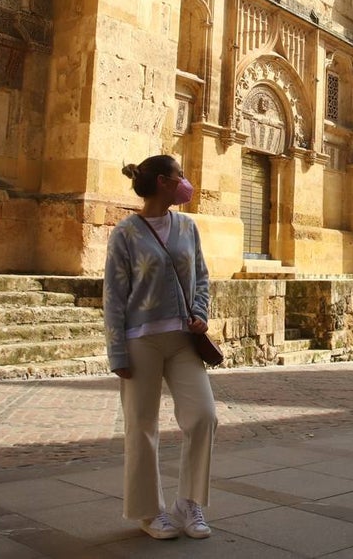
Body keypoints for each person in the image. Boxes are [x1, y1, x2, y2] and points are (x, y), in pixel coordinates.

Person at [104, 154, 217, 541]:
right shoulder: (126, 233)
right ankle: (148, 512)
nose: (186, 182)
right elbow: (115, 297)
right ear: (164, 183)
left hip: (184, 340)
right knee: (142, 426)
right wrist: (117, 352)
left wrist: (200, 311)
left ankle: (189, 502)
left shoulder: (187, 227)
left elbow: (201, 277)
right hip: (141, 341)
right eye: (180, 175)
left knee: (203, 416)